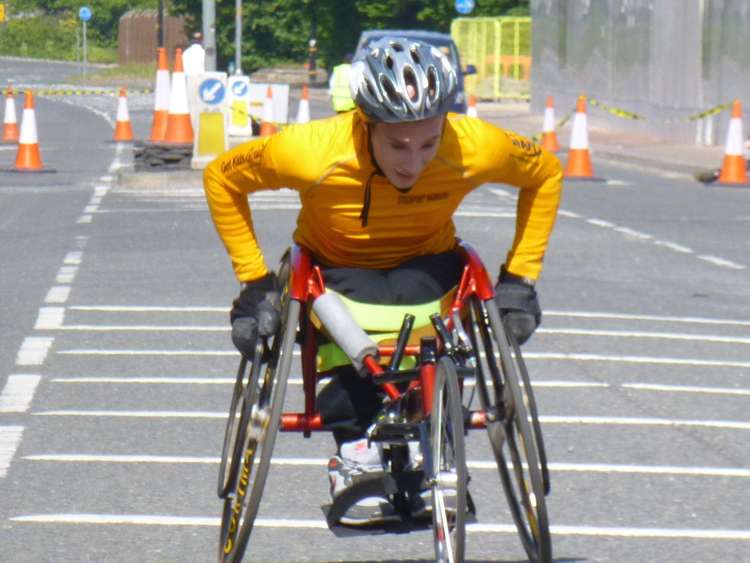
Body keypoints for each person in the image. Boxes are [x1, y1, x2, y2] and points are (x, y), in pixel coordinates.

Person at [204, 37, 563, 526]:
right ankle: (355, 447)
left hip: (428, 268)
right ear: (365, 123)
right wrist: (254, 284)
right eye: (396, 144)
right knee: (345, 320)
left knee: (442, 320)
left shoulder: (473, 145)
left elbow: (544, 171)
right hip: (334, 275)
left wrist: (520, 278)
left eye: (428, 144)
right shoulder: (310, 151)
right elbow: (222, 177)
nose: (412, 162)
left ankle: (437, 435)